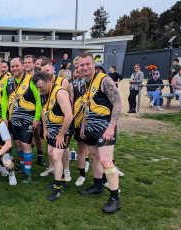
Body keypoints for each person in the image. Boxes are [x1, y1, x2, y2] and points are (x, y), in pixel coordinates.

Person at [78, 52, 122, 214]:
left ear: (93, 64)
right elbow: (86, 105)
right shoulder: (84, 83)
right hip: (90, 127)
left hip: (104, 127)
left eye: (87, 64)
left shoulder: (105, 80)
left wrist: (111, 127)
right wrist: (83, 125)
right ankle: (97, 186)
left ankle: (114, 199)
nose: (85, 67)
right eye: (81, 65)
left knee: (106, 161)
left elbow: (117, 103)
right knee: (95, 157)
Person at [32, 71, 73, 200]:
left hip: (63, 127)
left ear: (48, 82)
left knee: (56, 156)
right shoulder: (43, 93)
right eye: (37, 88)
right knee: (50, 151)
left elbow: (69, 116)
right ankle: (61, 179)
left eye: (41, 87)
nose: (39, 90)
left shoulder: (60, 93)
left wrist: (61, 135)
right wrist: (45, 129)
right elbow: (44, 112)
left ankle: (57, 188)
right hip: (51, 128)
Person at [1, 58, 42, 183]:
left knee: (25, 144)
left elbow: (38, 99)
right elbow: (4, 100)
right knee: (17, 143)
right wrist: (4, 116)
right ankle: (23, 166)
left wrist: (37, 117)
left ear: (22, 66)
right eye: (12, 66)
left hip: (28, 119)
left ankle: (28, 173)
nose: (14, 68)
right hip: (13, 119)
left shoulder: (31, 80)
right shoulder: (8, 81)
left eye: (17, 66)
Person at [40, 59, 72, 181]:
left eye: (47, 70)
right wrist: (45, 128)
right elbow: (44, 108)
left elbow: (67, 105)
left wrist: (64, 130)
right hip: (50, 122)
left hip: (62, 122)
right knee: (51, 149)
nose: (46, 73)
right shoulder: (41, 85)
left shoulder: (62, 82)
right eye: (43, 71)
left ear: (53, 69)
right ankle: (53, 168)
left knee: (62, 148)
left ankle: (66, 170)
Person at [69, 57, 89, 186]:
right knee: (81, 148)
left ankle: (103, 179)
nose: (79, 70)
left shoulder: (94, 82)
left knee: (97, 151)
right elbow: (71, 105)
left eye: (80, 66)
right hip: (78, 121)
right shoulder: (73, 84)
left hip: (92, 121)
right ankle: (82, 175)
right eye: (76, 68)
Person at [24, 55, 46, 167]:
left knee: (37, 134)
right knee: (28, 135)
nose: (27, 65)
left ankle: (40, 156)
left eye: (29, 62)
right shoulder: (22, 78)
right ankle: (28, 155)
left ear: (34, 64)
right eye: (25, 62)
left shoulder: (38, 77)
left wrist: (38, 115)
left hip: (37, 109)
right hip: (25, 110)